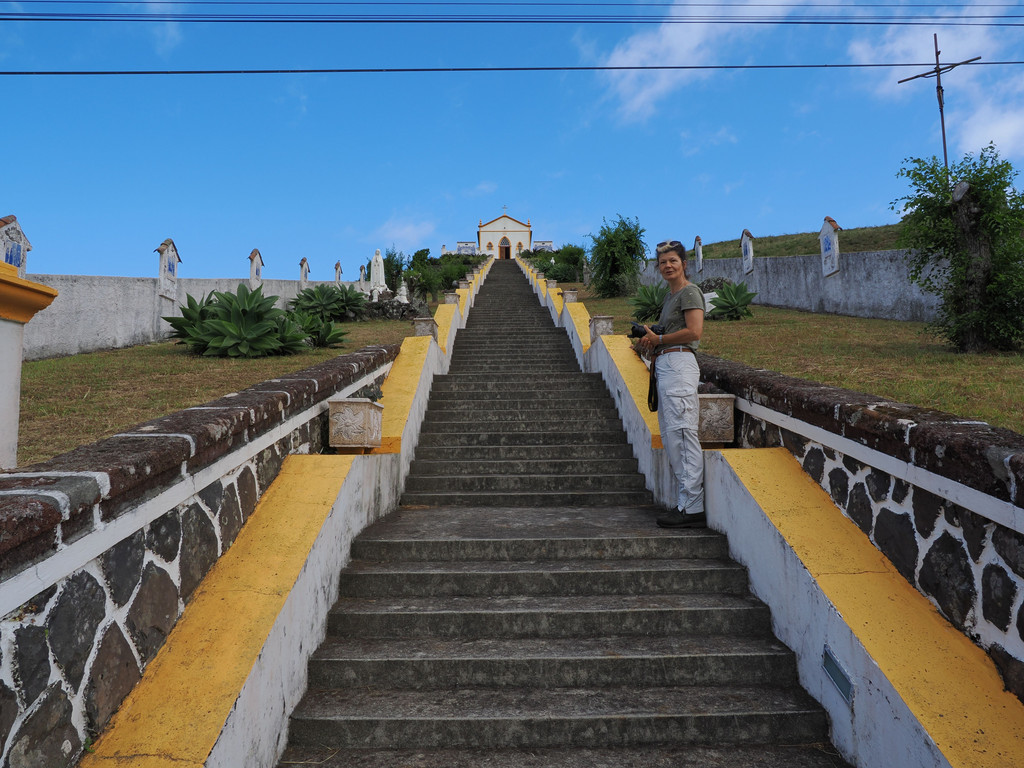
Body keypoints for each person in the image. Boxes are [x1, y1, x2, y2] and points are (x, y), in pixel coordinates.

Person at [639, 240, 706, 529]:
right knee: (671, 436)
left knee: (682, 433)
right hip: (666, 365)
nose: (667, 266)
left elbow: (694, 331)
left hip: (680, 364)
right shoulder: (670, 297)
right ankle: (685, 503)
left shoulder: (690, 292)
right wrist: (650, 340)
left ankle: (692, 506)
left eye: (673, 261)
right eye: (663, 262)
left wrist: (661, 340)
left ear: (684, 264)